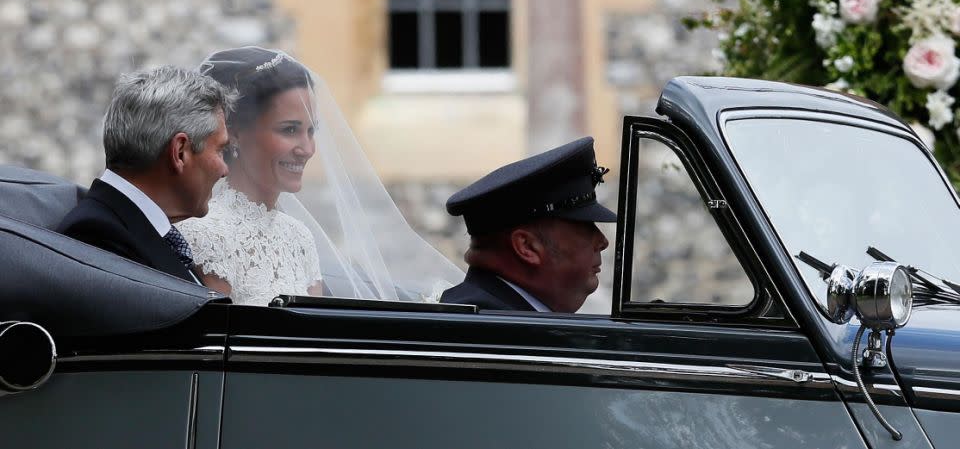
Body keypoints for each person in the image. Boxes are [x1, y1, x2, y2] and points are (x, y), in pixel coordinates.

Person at [177, 46, 463, 304]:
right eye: (289, 130)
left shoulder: (299, 238)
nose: (308, 149)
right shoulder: (204, 234)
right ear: (236, 132)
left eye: (311, 131)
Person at [58, 66, 234, 284]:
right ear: (180, 152)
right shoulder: (99, 238)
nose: (225, 170)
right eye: (220, 150)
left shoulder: (131, 226)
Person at [440, 137, 616, 313]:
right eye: (584, 226)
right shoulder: (494, 332)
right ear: (527, 246)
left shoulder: (502, 319)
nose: (603, 241)